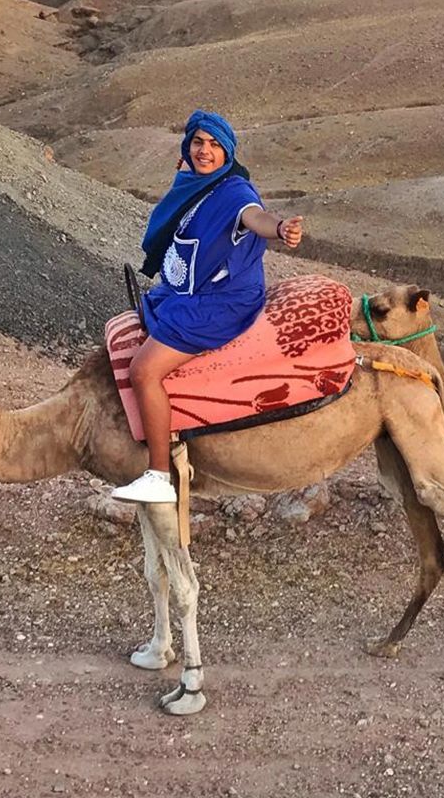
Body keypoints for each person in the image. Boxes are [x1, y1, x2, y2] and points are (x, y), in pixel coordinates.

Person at [112, 110, 304, 503]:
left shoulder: (234, 193)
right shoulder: (194, 184)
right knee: (153, 312)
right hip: (192, 290)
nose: (205, 151)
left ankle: (158, 475)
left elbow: (255, 217)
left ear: (228, 152)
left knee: (143, 371)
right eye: (199, 142)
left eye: (215, 145)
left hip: (224, 301)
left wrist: (280, 229)